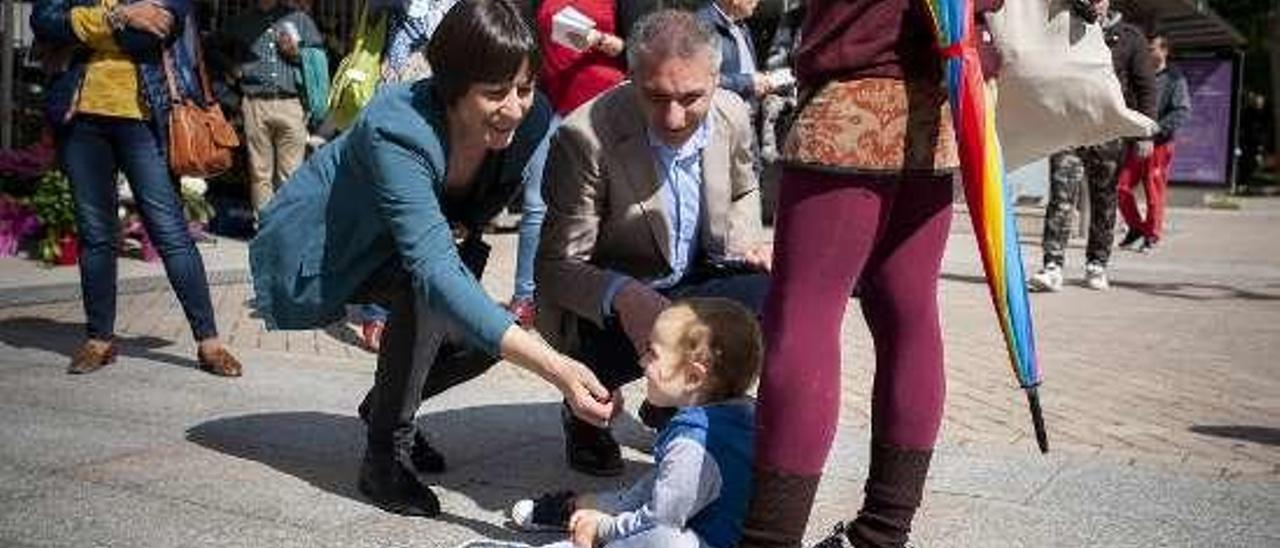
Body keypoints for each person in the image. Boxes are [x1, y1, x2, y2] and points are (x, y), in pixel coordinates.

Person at [249, 0, 614, 518]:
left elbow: (467, 235)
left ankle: (383, 408)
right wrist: (557, 368)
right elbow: (433, 268)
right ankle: (384, 457)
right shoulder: (395, 124)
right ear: (451, 88)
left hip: (413, 249)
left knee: (489, 334)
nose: (515, 107)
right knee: (430, 291)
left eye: (525, 88)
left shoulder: (529, 122)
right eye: (495, 93)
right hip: (331, 246)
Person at [734, 0, 998, 544]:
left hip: (847, 100)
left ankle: (769, 540)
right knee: (910, 314)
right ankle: (882, 532)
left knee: (803, 316)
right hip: (935, 111)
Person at [535, 8, 772, 478]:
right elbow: (557, 268)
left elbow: (744, 187)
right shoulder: (584, 139)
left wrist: (748, 242)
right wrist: (621, 295)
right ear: (631, 77)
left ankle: (682, 404)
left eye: (691, 97)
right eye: (656, 96)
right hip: (603, 303)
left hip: (692, 277)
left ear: (716, 79)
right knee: (616, 329)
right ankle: (585, 413)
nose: (674, 116)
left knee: (775, 295)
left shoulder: (731, 113)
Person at [32, 0, 243, 378]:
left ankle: (208, 341)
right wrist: (123, 15)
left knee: (171, 232)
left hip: (146, 120)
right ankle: (99, 339)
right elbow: (45, 19)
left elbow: (154, 31)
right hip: (80, 117)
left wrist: (88, 28)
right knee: (96, 235)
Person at [505, 298, 760, 548]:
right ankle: (580, 510)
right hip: (705, 525)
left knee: (666, 540)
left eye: (653, 353)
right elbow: (662, 483)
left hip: (695, 537)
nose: (642, 362)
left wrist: (603, 529)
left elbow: (660, 524)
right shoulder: (737, 415)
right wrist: (611, 506)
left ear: (693, 377)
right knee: (634, 506)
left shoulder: (692, 447)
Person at [1028, 0, 1156, 292]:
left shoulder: (1129, 37)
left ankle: (1097, 264)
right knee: (1061, 196)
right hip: (1068, 129)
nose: (1094, 3)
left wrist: (1145, 132)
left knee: (1104, 199)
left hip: (1107, 132)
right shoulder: (1063, 26)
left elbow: (1145, 86)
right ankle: (1052, 265)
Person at [218, 0, 322, 215]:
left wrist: (296, 53)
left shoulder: (299, 19)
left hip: (291, 103)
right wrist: (231, 68)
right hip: (255, 103)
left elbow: (319, 57)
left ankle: (287, 230)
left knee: (292, 174)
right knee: (259, 173)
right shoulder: (241, 21)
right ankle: (263, 229)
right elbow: (211, 46)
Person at [1116, 31, 1191, 253]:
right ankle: (1137, 228)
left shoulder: (1175, 78)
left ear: (1164, 51)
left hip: (1159, 143)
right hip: (1136, 142)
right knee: (1122, 187)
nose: (1148, 52)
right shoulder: (1141, 75)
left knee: (1153, 189)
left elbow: (1182, 111)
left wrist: (1156, 130)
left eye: (1152, 49)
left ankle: (1152, 235)